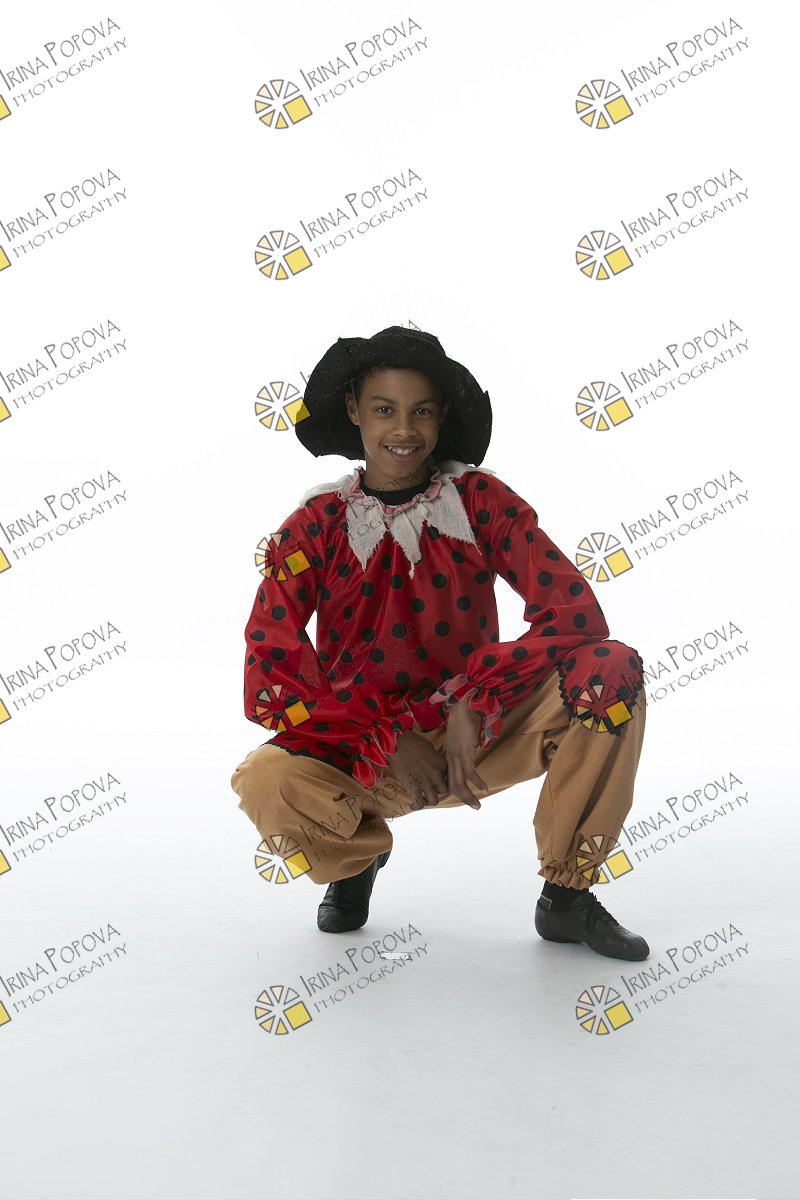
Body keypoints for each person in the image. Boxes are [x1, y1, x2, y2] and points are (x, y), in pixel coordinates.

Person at [230, 326, 649, 961]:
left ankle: (566, 898)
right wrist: (381, 736)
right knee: (265, 781)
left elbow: (574, 614)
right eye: (384, 409)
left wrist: (473, 698)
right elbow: (270, 666)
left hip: (479, 732)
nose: (404, 429)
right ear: (354, 411)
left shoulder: (481, 501)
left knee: (609, 669)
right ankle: (354, 860)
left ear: (443, 415)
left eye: (421, 410)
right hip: (363, 749)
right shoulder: (314, 526)